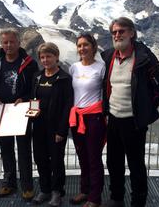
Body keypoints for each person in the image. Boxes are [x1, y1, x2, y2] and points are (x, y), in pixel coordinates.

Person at [101, 17, 159, 207]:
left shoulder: (145, 57)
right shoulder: (108, 56)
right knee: (114, 162)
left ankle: (138, 202)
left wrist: (146, 109)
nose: (117, 35)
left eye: (121, 31)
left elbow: (158, 86)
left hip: (134, 121)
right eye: (114, 32)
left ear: (131, 33)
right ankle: (116, 198)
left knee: (136, 164)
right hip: (113, 118)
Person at [0, 28, 38, 201]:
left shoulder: (29, 63)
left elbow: (35, 87)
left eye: (12, 42)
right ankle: (9, 183)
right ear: (1, 43)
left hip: (21, 111)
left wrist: (25, 98)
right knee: (5, 149)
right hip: (2, 111)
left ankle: (27, 186)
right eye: (5, 42)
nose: (8, 45)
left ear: (18, 42)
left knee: (24, 150)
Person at [30, 42, 73, 207]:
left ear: (56, 57)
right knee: (40, 159)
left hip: (56, 128)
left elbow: (68, 106)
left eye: (49, 56)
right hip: (39, 127)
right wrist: (33, 114)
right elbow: (33, 99)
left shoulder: (64, 78)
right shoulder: (37, 77)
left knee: (56, 161)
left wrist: (62, 130)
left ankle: (57, 192)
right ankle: (44, 190)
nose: (45, 60)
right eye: (42, 57)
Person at [68, 33, 106, 207]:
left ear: (93, 47)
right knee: (82, 156)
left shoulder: (101, 67)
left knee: (94, 158)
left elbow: (106, 92)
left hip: (94, 117)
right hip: (77, 118)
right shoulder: (74, 68)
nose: (82, 48)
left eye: (86, 45)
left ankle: (94, 197)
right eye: (79, 45)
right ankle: (84, 191)